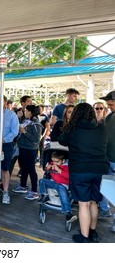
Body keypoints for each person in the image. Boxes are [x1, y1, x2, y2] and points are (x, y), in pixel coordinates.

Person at [59, 103, 109, 243]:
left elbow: (61, 140)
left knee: (83, 204)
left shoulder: (73, 129)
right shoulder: (102, 128)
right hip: (100, 169)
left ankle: (84, 237)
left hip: (80, 170)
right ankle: (93, 232)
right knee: (94, 202)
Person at [0, 95, 19, 204]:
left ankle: (5, 192)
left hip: (6, 144)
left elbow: (14, 131)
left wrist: (3, 139)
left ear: (5, 102)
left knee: (5, 169)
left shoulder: (12, 115)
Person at [12, 105, 43, 201]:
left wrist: (24, 132)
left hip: (30, 149)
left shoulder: (36, 124)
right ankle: (23, 185)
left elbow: (36, 139)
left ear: (31, 112)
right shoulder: (26, 121)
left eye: (26, 111)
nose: (25, 112)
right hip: (22, 147)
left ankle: (34, 191)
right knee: (23, 167)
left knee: (31, 169)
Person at [38, 151, 77, 223]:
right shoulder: (53, 163)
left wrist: (59, 170)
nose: (54, 163)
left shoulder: (68, 166)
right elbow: (47, 170)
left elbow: (69, 177)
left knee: (63, 194)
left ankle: (68, 213)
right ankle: (44, 195)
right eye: (53, 161)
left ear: (63, 160)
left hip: (62, 184)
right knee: (42, 181)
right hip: (53, 182)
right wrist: (47, 168)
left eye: (57, 162)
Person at [98, 91, 115, 232]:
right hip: (106, 159)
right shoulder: (109, 116)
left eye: (111, 102)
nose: (108, 105)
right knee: (104, 186)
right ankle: (104, 209)